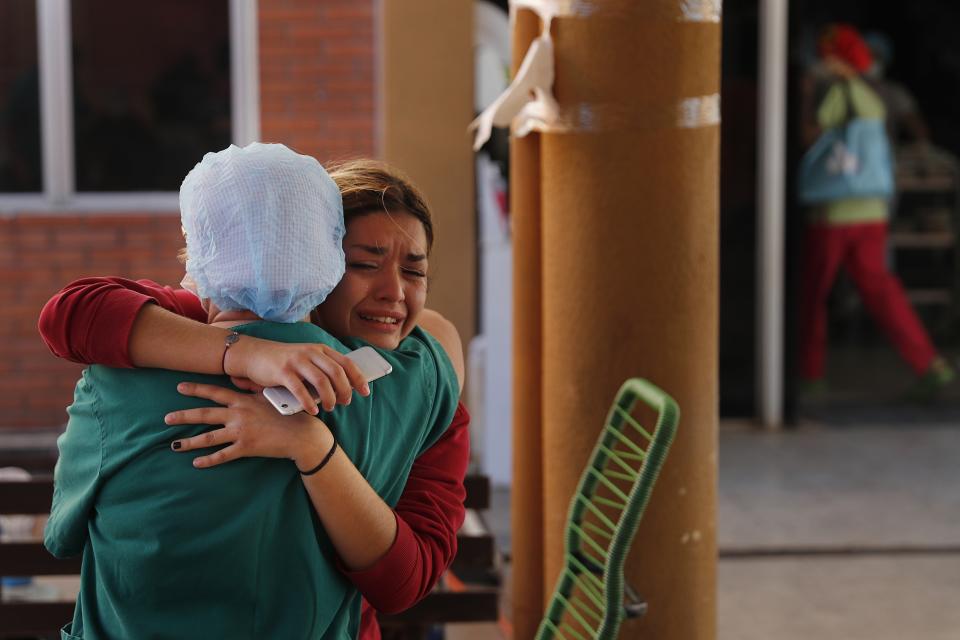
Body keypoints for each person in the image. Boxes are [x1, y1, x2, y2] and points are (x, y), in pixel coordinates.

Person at [42, 144, 463, 639]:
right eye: (364, 264)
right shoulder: (423, 386)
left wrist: (312, 446)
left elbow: (406, 581)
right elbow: (75, 312)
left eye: (415, 271)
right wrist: (247, 353)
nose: (395, 291)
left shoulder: (124, 377)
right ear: (316, 257)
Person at [798, 23, 954, 398]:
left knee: (812, 295)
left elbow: (810, 137)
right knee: (882, 290)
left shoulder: (838, 90)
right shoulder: (876, 93)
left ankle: (811, 378)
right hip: (872, 209)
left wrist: (805, 96)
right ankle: (930, 365)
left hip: (835, 209)